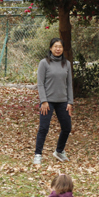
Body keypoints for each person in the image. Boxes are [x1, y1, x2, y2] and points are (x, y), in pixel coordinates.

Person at [33, 37, 74, 165]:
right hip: (47, 101)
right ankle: (38, 154)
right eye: (55, 46)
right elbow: (40, 84)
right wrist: (43, 101)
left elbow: (69, 84)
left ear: (63, 49)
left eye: (60, 47)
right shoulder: (44, 63)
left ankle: (59, 151)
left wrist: (70, 102)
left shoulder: (66, 64)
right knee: (44, 128)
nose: (58, 49)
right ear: (51, 48)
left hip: (63, 101)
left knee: (67, 127)